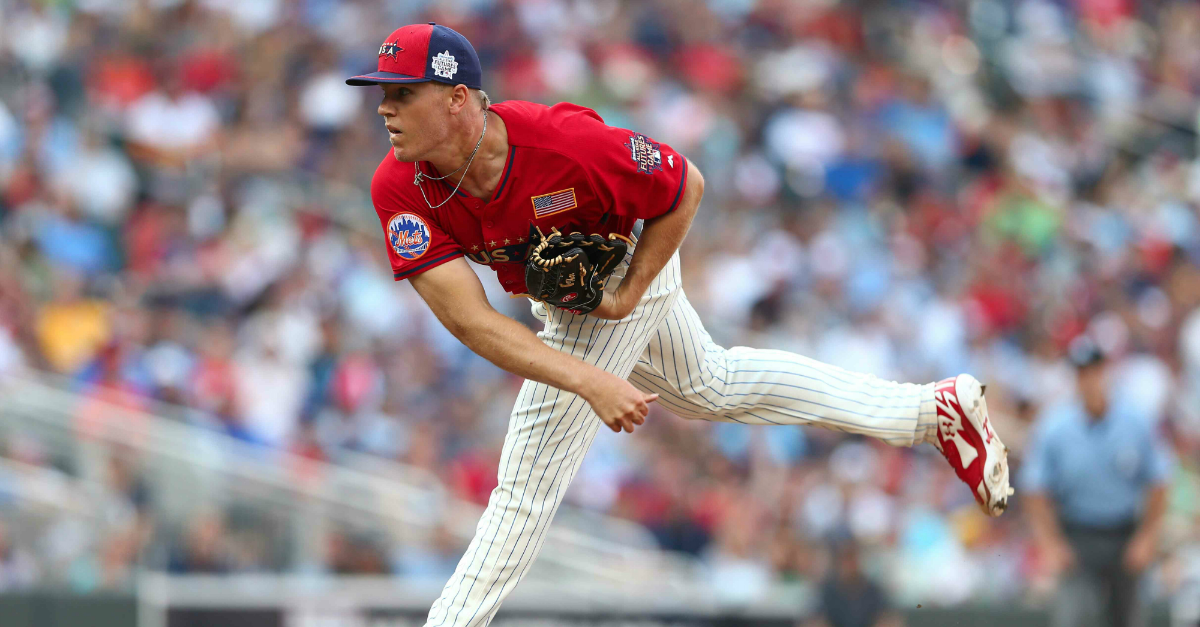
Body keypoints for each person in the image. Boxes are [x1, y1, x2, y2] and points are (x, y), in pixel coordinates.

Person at [345, 23, 1013, 627]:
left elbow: (683, 185)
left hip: (627, 261)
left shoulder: (563, 144)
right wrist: (590, 378)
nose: (384, 108)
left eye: (402, 94)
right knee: (711, 385)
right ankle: (932, 411)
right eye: (382, 93)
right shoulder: (399, 186)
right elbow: (472, 323)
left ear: (458, 97)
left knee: (525, 486)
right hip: (568, 302)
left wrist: (630, 293)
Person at [1022, 336, 1172, 627]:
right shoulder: (1055, 426)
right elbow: (1034, 489)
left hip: (1124, 532)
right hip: (1078, 534)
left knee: (1127, 618)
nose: (1089, 380)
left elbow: (1159, 480)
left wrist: (1147, 536)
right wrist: (1051, 543)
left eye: (1094, 371)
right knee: (1073, 617)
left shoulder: (1134, 420)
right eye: (1081, 373)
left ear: (1106, 372)